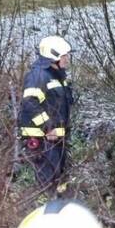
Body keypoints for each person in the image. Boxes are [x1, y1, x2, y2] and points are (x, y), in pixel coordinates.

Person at [17, 36, 75, 196]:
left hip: (56, 139)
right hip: (43, 140)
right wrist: (47, 127)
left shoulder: (57, 76)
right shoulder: (38, 76)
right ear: (53, 56)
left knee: (59, 180)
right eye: (64, 56)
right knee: (47, 183)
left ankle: (59, 208)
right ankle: (46, 211)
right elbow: (29, 104)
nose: (67, 59)